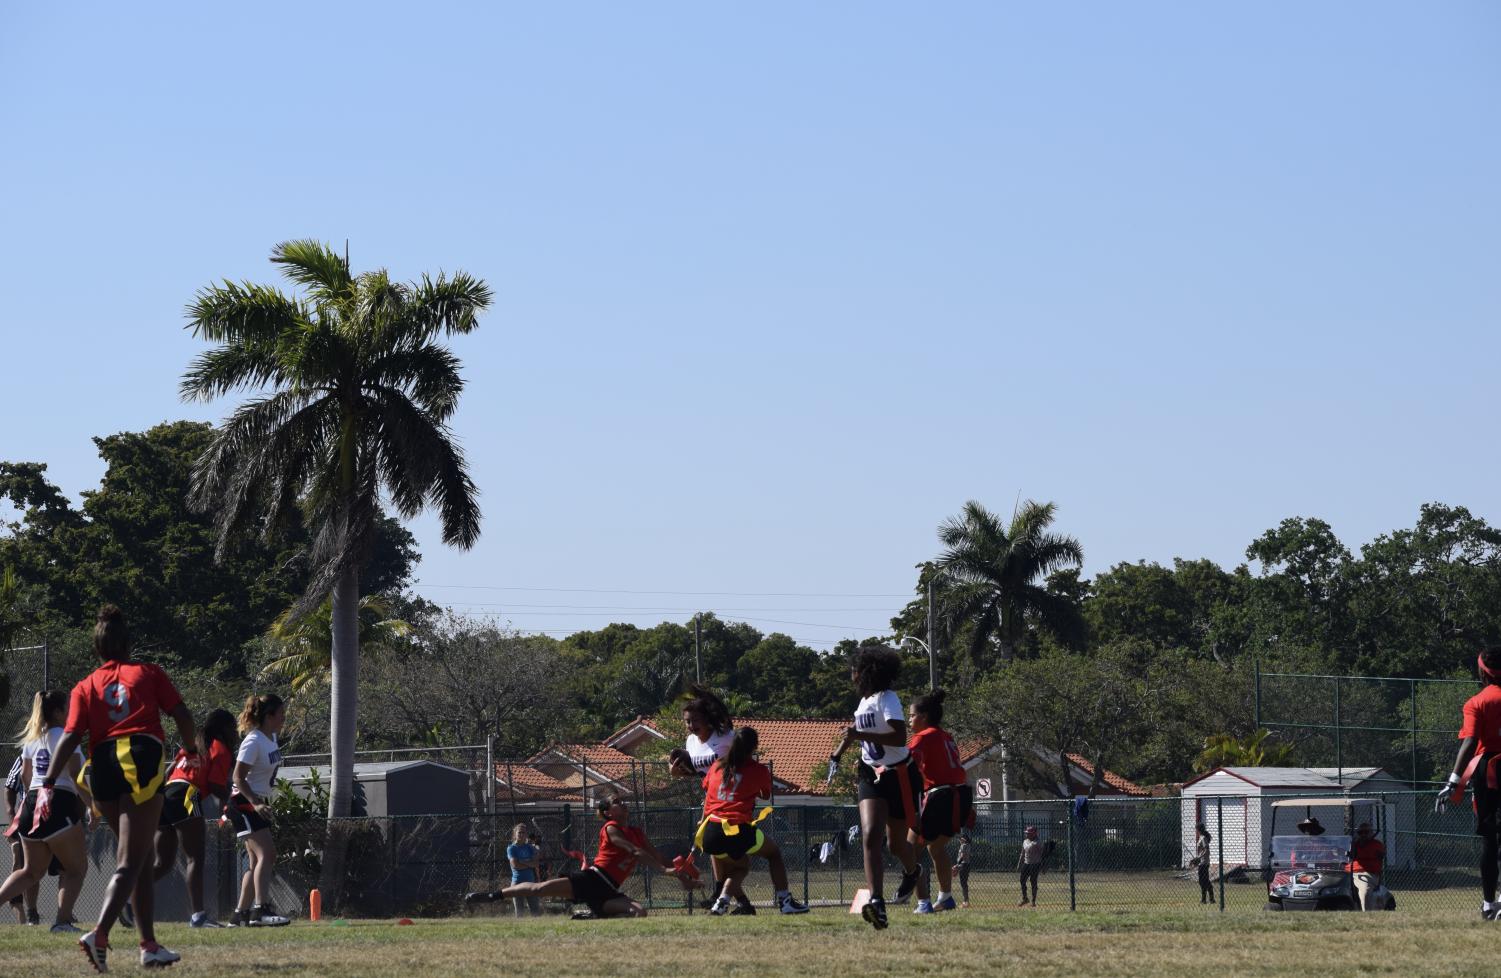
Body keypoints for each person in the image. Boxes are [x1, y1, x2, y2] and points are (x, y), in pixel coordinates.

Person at [42, 605, 197, 971]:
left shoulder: (84, 685)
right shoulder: (148, 672)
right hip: (140, 759)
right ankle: (99, 934)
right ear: (128, 644)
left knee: (139, 858)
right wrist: (191, 751)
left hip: (103, 768)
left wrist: (48, 783)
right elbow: (183, 716)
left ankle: (148, 945)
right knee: (130, 860)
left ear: (97, 649)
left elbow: (69, 739)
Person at [465, 795, 691, 918]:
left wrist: (682, 875)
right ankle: (491, 896)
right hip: (592, 879)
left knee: (640, 913)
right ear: (608, 813)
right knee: (539, 889)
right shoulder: (610, 828)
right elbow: (635, 852)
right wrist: (665, 871)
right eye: (616, 802)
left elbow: (657, 856)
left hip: (608, 890)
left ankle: (592, 913)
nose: (623, 803)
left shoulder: (637, 833)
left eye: (622, 801)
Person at [830, 644, 921, 930]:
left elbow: (898, 737)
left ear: (866, 672)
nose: (851, 676)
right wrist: (838, 752)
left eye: (854, 670)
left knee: (896, 845)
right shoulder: (863, 703)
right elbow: (856, 734)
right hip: (870, 773)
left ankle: (912, 870)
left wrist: (858, 734)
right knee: (870, 835)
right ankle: (878, 903)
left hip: (900, 775)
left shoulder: (887, 698)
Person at [0, 691, 92, 933]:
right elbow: (75, 775)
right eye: (68, 707)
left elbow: (24, 776)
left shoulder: (34, 738)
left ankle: (60, 921)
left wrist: (33, 798)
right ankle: (62, 922)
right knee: (76, 869)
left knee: (30, 871)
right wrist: (92, 805)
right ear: (58, 712)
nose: (72, 711)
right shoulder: (66, 736)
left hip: (32, 803)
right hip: (58, 802)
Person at [696, 727, 808, 916]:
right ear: (754, 747)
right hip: (737, 827)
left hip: (711, 830)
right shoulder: (757, 770)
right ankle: (785, 901)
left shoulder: (717, 766)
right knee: (773, 854)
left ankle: (721, 903)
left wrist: (703, 819)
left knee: (738, 865)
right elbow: (765, 795)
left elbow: (708, 794)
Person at [154, 707, 237, 928]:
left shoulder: (192, 745)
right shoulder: (220, 748)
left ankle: (127, 891)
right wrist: (232, 798)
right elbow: (214, 784)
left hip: (166, 794)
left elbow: (170, 770)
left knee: (163, 862)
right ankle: (199, 916)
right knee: (195, 858)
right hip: (186, 795)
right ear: (226, 729)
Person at [1436, 645, 1501, 920]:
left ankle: (1489, 904)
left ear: (1483, 671)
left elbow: (1471, 741)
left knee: (1491, 840)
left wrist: (1453, 780)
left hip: (1491, 772)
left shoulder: (1477, 702)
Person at [668, 684, 741, 908]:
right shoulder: (691, 742)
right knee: (713, 847)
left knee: (731, 854)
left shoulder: (726, 736)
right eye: (687, 721)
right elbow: (700, 773)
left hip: (732, 797)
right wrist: (676, 772)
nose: (690, 726)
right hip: (710, 798)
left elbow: (738, 765)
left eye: (695, 721)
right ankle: (723, 896)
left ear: (708, 719)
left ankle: (727, 897)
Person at [905, 690, 971, 914]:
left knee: (909, 850)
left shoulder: (923, 737)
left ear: (923, 716)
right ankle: (946, 898)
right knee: (935, 847)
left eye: (912, 715)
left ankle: (923, 903)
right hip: (960, 795)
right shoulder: (946, 736)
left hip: (940, 796)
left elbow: (904, 763)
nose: (909, 720)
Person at [227, 693, 290, 927]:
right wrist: (255, 802)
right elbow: (237, 777)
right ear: (269, 716)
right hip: (243, 802)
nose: (284, 718)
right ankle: (261, 910)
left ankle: (239, 914)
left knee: (255, 863)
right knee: (268, 854)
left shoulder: (271, 737)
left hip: (256, 801)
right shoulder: (253, 741)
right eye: (280, 714)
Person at [4, 753, 41, 925]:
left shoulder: (56, 751)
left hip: (48, 819)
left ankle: (64, 914)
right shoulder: (24, 756)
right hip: (25, 818)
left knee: (35, 868)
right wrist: (12, 816)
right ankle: (26, 915)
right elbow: (9, 786)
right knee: (20, 859)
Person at [1349, 822, 1385, 911]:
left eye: (1366, 832)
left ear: (1371, 833)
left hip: (1366, 874)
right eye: (1360, 833)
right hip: (1349, 872)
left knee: (1364, 891)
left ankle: (1367, 915)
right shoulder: (1354, 845)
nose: (1363, 835)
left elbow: (1380, 856)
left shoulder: (1376, 845)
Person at [507, 823, 542, 916]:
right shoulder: (511, 848)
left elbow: (536, 863)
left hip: (530, 883)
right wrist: (529, 864)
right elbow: (515, 866)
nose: (521, 835)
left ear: (526, 834)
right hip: (517, 883)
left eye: (524, 832)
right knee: (519, 913)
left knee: (535, 912)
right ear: (515, 834)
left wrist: (522, 862)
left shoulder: (529, 847)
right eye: (519, 832)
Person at [1018, 826, 1045, 906]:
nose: (1027, 834)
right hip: (1026, 863)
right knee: (1022, 880)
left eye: (1028, 833)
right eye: (1026, 833)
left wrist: (1043, 866)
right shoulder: (1025, 841)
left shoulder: (1038, 842)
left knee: (1033, 882)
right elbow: (1022, 853)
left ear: (1033, 834)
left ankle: (1033, 901)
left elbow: (1042, 855)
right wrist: (1019, 863)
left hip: (1035, 864)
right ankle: (1025, 898)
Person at [1192, 824, 1214, 904]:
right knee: (1204, 881)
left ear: (1198, 829)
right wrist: (1197, 858)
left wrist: (1198, 857)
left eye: (1196, 829)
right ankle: (1209, 899)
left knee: (1203, 881)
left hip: (1204, 862)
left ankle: (1206, 899)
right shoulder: (1201, 837)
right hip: (1201, 862)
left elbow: (1206, 850)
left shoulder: (1203, 838)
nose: (1196, 831)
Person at [954, 832, 972, 909]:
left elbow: (962, 856)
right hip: (966, 865)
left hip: (963, 865)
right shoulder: (967, 845)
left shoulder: (964, 845)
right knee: (964, 883)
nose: (959, 839)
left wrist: (957, 864)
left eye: (960, 838)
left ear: (964, 839)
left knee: (963, 883)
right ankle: (966, 901)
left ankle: (966, 901)